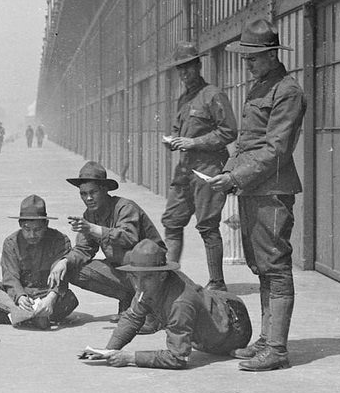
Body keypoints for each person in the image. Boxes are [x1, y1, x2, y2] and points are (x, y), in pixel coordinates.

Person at [210, 18, 307, 372]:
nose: (246, 65)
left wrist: (236, 175)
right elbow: (248, 141)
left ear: (270, 55)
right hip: (253, 188)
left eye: (252, 59)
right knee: (262, 267)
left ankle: (277, 349)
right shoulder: (261, 86)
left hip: (273, 191)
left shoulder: (287, 91)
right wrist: (228, 172)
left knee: (276, 267)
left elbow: (277, 149)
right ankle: (267, 340)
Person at [79, 240, 252, 368]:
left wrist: (130, 357)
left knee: (190, 327)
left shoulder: (181, 303)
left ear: (162, 276)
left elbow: (178, 358)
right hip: (220, 302)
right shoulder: (149, 286)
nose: (139, 284)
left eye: (146, 277)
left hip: (235, 329)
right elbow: (132, 317)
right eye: (135, 276)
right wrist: (108, 351)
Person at [159, 42, 237, 285]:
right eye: (180, 70)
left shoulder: (213, 95)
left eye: (188, 68)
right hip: (184, 170)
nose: (184, 74)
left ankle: (217, 281)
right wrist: (172, 140)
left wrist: (194, 142)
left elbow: (229, 132)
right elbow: (176, 130)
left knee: (207, 225)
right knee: (172, 221)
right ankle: (170, 278)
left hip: (208, 168)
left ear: (198, 66)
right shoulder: (184, 99)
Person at [47, 161, 163, 321]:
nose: (88, 198)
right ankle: (128, 299)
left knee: (133, 257)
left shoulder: (125, 207)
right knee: (72, 269)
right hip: (124, 271)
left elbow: (129, 238)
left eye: (93, 192)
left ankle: (148, 313)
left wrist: (93, 228)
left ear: (104, 190)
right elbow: (83, 249)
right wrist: (64, 262)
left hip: (152, 273)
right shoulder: (90, 214)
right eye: (83, 193)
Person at [0, 195, 78, 329]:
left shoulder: (59, 240)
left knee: (71, 300)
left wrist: (50, 299)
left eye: (37, 230)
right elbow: (10, 277)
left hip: (45, 294)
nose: (32, 235)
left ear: (46, 224)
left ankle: (12, 316)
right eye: (27, 229)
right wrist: (20, 297)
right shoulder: (11, 243)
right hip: (20, 295)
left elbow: (61, 276)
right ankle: (23, 313)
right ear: (20, 225)